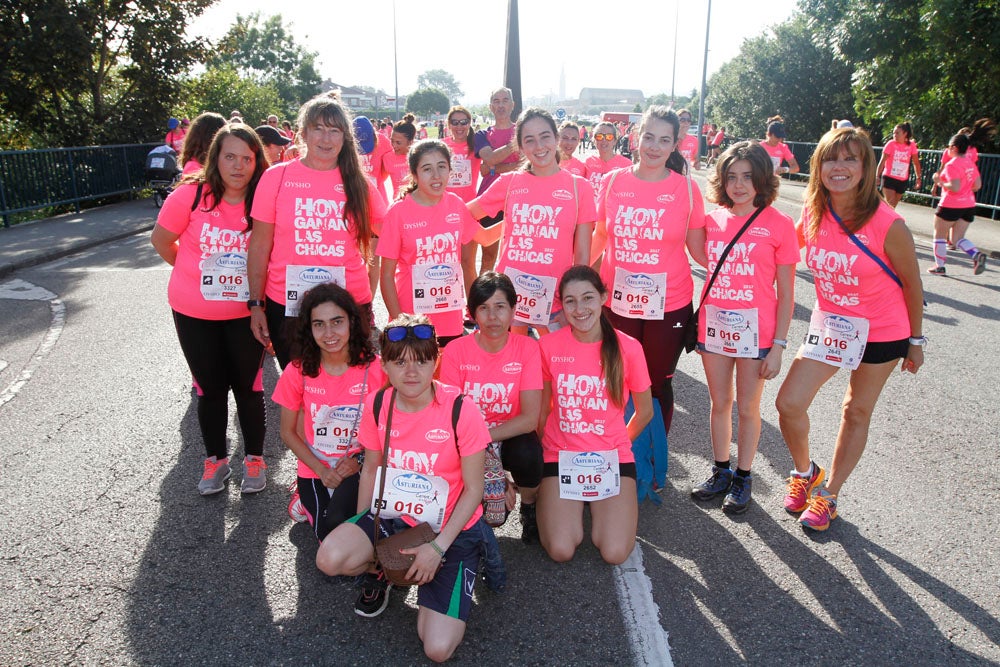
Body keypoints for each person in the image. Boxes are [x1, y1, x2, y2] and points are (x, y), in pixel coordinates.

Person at [315, 314, 490, 663]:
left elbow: (474, 490)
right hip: (395, 517)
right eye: (400, 363)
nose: (412, 372)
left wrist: (438, 549)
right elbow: (371, 471)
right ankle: (386, 570)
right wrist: (367, 528)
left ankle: (455, 567)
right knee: (329, 558)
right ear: (385, 366)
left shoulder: (461, 410)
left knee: (437, 649)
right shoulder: (378, 405)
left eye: (422, 361)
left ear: (435, 361)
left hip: (449, 531)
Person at [775, 127, 925, 531]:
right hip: (833, 327)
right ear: (818, 166)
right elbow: (779, 250)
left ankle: (830, 495)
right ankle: (807, 473)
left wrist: (915, 341)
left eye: (850, 159)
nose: (838, 168)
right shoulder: (812, 211)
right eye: (830, 159)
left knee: (856, 410)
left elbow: (912, 283)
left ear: (865, 167)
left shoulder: (887, 223)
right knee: (789, 403)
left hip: (883, 330)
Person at [150, 124, 270, 495]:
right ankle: (215, 460)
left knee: (249, 389)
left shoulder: (264, 201)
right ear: (215, 158)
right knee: (210, 389)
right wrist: (191, 274)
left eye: (247, 158)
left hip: (245, 314)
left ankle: (254, 459)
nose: (238, 166)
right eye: (229, 156)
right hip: (193, 314)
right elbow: (162, 241)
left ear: (256, 162)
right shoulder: (189, 196)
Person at [690, 141, 797, 514]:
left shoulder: (780, 225)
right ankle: (720, 470)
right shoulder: (712, 218)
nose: (738, 185)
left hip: (759, 334)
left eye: (748, 177)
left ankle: (743, 475)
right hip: (714, 328)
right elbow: (700, 254)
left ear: (762, 179)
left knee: (749, 408)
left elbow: (787, 294)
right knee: (720, 403)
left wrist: (780, 344)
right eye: (731, 177)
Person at [590, 106, 706, 446]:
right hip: (617, 301)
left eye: (664, 140)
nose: (654, 147)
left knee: (656, 383)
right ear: (636, 137)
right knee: (617, 378)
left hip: (669, 305)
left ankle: (653, 458)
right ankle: (617, 452)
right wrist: (574, 270)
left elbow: (700, 250)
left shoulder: (685, 190)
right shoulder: (613, 182)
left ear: (676, 145)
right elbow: (600, 234)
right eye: (649, 137)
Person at [247, 92, 387, 369]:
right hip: (288, 306)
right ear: (303, 134)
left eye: (334, 130)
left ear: (345, 137)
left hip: (349, 304)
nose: (326, 139)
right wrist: (255, 304)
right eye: (318, 129)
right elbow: (260, 245)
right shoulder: (276, 177)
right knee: (299, 391)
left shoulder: (359, 184)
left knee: (346, 391)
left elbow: (390, 233)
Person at [536, 266, 653, 563]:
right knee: (561, 549)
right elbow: (542, 408)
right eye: (570, 301)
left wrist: (616, 446)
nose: (580, 308)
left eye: (588, 298)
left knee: (614, 552)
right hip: (561, 455)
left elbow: (645, 411)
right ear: (562, 305)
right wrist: (550, 446)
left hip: (611, 458)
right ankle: (556, 501)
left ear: (603, 297)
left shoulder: (629, 348)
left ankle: (593, 505)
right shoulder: (548, 346)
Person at [468, 107, 596, 335]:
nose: (539, 146)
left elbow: (583, 257)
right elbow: (463, 214)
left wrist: (577, 300)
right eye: (530, 140)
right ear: (521, 146)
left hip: (556, 300)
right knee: (514, 365)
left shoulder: (580, 188)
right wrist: (489, 234)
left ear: (556, 138)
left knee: (555, 366)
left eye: (545, 137)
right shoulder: (509, 182)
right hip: (509, 296)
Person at [273, 283, 386, 540]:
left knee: (344, 529)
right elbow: (288, 433)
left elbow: (392, 428)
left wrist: (359, 461)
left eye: (337, 322)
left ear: (352, 323)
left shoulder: (377, 370)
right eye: (319, 324)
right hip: (315, 466)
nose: (329, 332)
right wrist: (321, 469)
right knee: (328, 536)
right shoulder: (297, 371)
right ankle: (302, 496)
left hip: (358, 463)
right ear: (309, 328)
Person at [440, 271, 544, 542]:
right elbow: (450, 417)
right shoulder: (455, 351)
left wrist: (490, 447)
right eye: (483, 308)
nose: (493, 317)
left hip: (506, 435)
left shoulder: (528, 349)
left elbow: (530, 419)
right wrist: (489, 464)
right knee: (493, 515)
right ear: (472, 313)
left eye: (500, 307)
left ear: (513, 309)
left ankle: (529, 505)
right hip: (467, 441)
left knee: (528, 454)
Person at [378, 141, 482, 346]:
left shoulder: (455, 205)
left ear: (450, 170)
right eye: (427, 169)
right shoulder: (398, 212)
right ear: (414, 175)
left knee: (443, 377)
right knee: (413, 377)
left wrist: (514, 218)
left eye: (442, 166)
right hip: (411, 317)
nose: (436, 175)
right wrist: (400, 321)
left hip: (449, 318)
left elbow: (485, 237)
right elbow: (386, 275)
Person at [473, 87, 522, 275]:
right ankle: (484, 298)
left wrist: (493, 169)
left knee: (516, 255)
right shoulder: (481, 135)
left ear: (512, 105)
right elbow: (490, 159)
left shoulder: (523, 131)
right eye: (496, 101)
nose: (501, 105)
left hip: (519, 198)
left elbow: (526, 165)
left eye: (504, 100)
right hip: (490, 200)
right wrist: (514, 146)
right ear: (490, 106)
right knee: (488, 257)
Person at [927, 133, 987, 275]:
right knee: (957, 239)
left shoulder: (951, 165)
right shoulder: (969, 163)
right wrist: (965, 189)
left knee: (939, 235)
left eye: (948, 146)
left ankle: (939, 266)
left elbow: (955, 187)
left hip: (950, 204)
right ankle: (976, 254)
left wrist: (939, 182)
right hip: (968, 205)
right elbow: (977, 185)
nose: (947, 149)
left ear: (954, 147)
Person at [875, 122, 921, 208]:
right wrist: (877, 176)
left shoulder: (911, 145)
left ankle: (881, 215)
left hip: (902, 179)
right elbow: (882, 161)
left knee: (893, 206)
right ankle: (882, 219)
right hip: (889, 177)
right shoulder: (890, 144)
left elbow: (916, 162)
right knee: (890, 203)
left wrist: (918, 178)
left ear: (905, 134)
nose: (894, 135)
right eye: (893, 133)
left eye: (897, 133)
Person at [584, 122, 632, 201]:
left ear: (615, 141)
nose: (604, 140)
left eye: (609, 137)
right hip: (592, 212)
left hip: (614, 212)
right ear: (594, 140)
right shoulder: (588, 162)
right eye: (599, 136)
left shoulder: (627, 165)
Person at [381, 114, 417, 200]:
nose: (394, 145)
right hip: (398, 204)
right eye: (392, 141)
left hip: (420, 205)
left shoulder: (421, 156)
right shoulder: (387, 158)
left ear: (410, 142)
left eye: (398, 143)